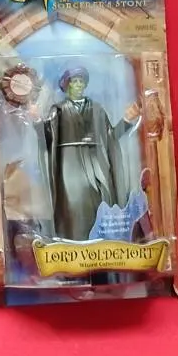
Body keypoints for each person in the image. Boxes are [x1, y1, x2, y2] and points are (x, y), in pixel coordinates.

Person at [43, 66, 140, 241]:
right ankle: (72, 242)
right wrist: (35, 120)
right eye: (75, 81)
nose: (79, 85)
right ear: (67, 85)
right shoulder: (58, 110)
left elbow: (111, 136)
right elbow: (46, 137)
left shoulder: (97, 108)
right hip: (70, 164)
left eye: (81, 81)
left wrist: (127, 119)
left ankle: (102, 242)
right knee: (73, 205)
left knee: (101, 200)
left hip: (95, 161)